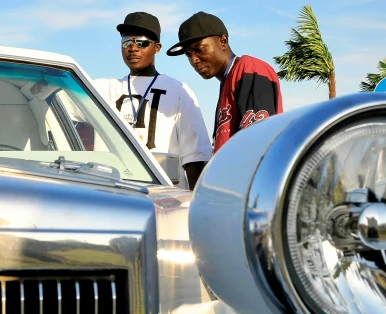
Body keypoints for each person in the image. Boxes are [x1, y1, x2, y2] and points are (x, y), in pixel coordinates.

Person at [94, 11, 212, 190]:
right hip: (115, 196)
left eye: (141, 42)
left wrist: (197, 204)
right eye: (126, 42)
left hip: (166, 199)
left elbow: (195, 157)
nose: (133, 48)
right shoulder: (104, 88)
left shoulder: (178, 90)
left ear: (157, 47)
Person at [165, 11, 283, 153]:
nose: (193, 60)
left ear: (223, 42)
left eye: (199, 49)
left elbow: (257, 144)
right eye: (188, 54)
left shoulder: (249, 69)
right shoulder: (228, 80)